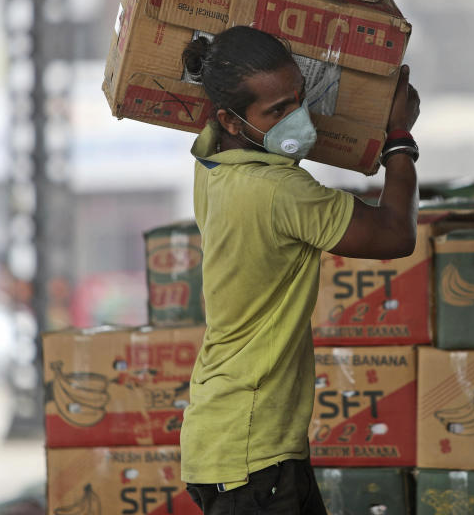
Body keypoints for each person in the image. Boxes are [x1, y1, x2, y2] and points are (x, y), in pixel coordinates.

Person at [180, 26, 420, 514]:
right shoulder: (277, 192)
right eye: (277, 112)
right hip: (252, 452)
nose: (297, 120)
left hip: (233, 441)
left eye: (298, 100)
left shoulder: (212, 161)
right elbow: (396, 233)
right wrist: (398, 137)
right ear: (229, 118)